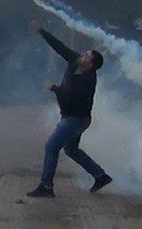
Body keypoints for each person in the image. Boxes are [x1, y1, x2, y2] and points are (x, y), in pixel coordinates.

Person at [27, 21, 112, 198]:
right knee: (71, 150)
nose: (82, 54)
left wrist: (55, 89)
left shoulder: (87, 80)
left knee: (51, 147)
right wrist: (41, 30)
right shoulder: (75, 61)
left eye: (86, 55)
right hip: (75, 118)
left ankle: (46, 186)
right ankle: (100, 176)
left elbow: (72, 99)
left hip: (76, 119)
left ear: (90, 64)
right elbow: (59, 46)